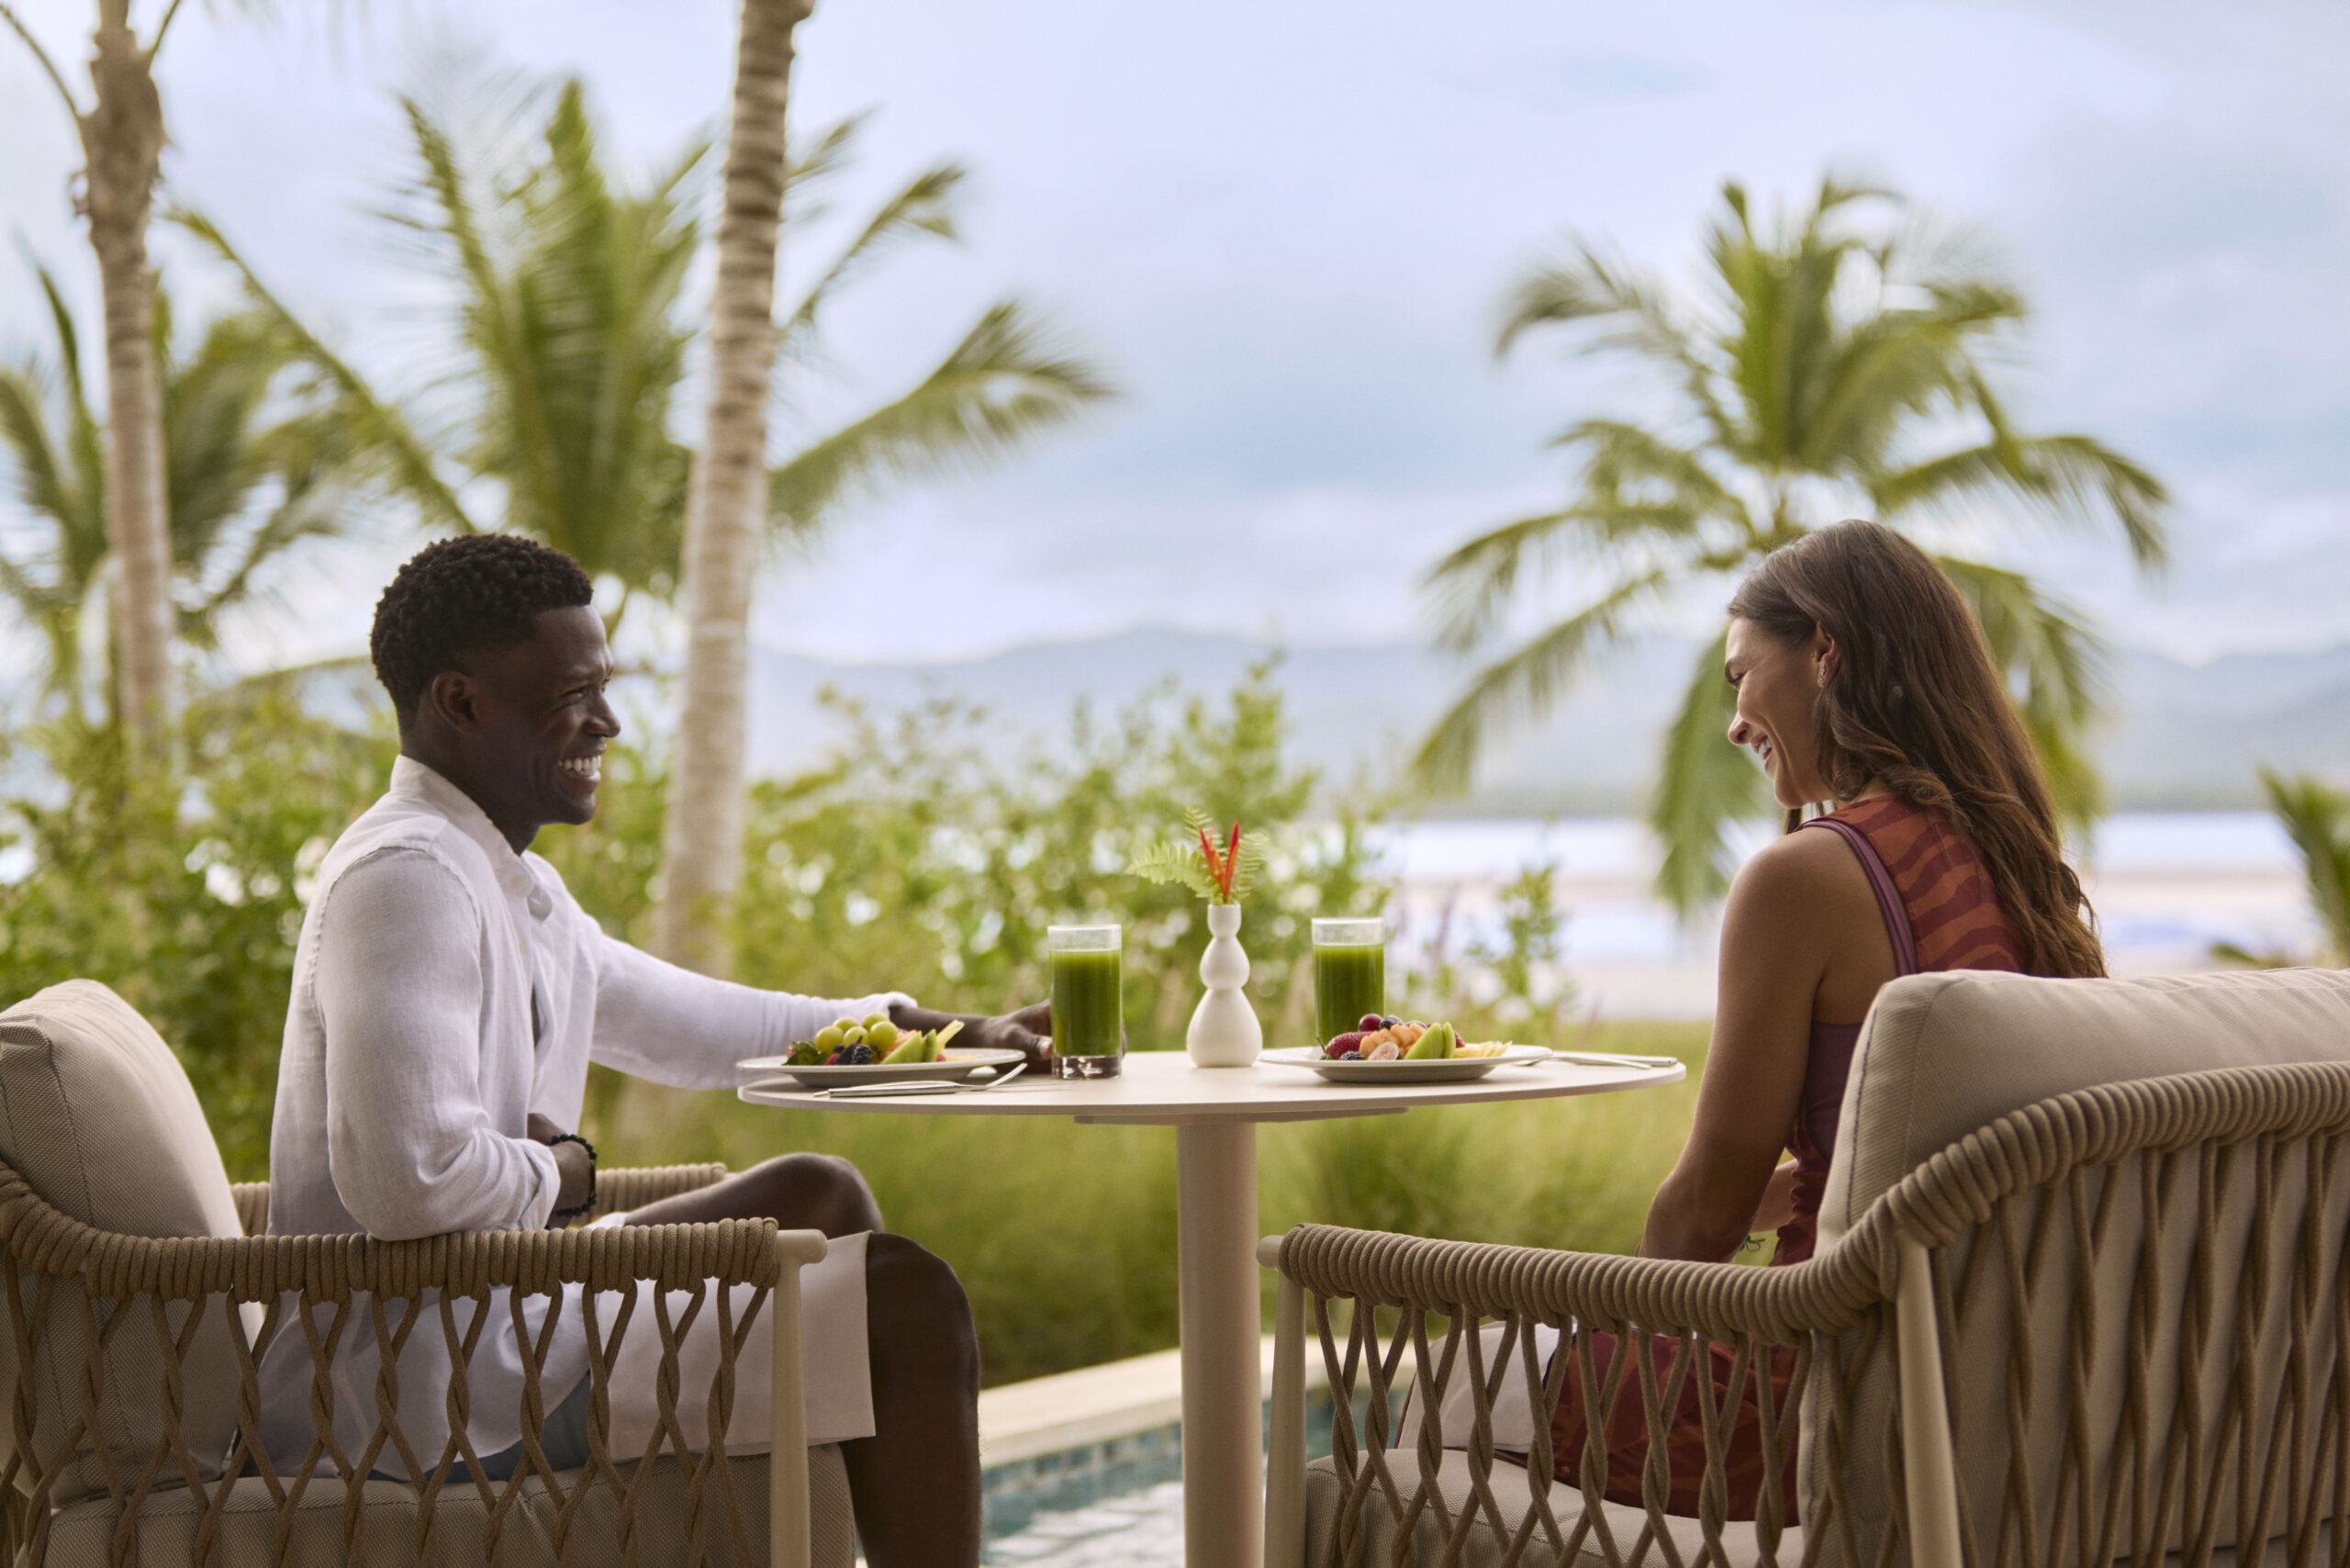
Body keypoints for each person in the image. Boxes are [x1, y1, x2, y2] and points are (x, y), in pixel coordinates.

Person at [261, 533, 1046, 1567]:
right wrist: (564, 1172)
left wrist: (959, 1030)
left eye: (605, 687)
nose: (609, 723)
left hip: (504, 1321)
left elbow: (730, 1028)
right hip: (415, 1395)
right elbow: (406, 1181)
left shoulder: (511, 886)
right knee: (907, 1302)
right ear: (460, 703)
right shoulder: (405, 880)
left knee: (818, 1189)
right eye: (572, 692)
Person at [1548, 521, 2106, 1518]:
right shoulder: (2020, 881)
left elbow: (1702, 1211)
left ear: (1823, 650)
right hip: (2004, 1411)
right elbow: (1928, 1161)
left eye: (1738, 677)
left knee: (1453, 1387)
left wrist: (1626, 1323)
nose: (1732, 721)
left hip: (1817, 1407)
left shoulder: (1804, 876)